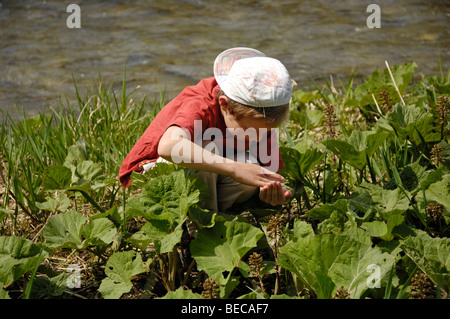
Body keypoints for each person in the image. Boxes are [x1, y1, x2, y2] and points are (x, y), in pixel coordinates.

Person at [119, 47, 293, 213]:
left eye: (267, 131)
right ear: (224, 105)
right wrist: (235, 168)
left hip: (207, 176)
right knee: (208, 147)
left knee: (251, 165)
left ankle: (208, 214)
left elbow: (270, 171)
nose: (257, 138)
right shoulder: (199, 103)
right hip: (156, 172)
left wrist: (273, 190)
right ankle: (199, 226)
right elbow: (167, 146)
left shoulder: (259, 119)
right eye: (249, 130)